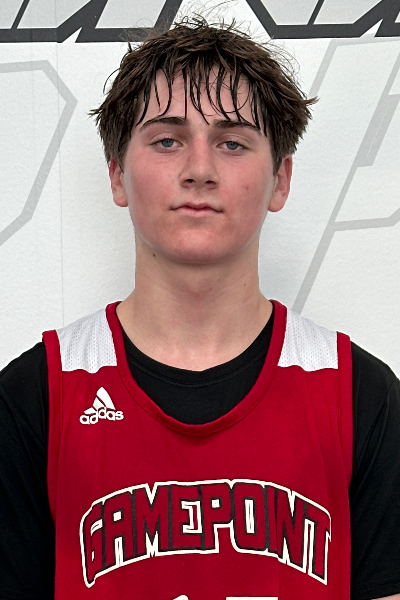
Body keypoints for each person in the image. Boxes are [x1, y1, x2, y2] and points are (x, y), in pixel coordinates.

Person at [1, 17, 400, 600]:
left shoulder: (361, 395)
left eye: (232, 142)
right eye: (167, 140)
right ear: (117, 174)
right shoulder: (35, 396)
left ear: (281, 179)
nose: (200, 170)